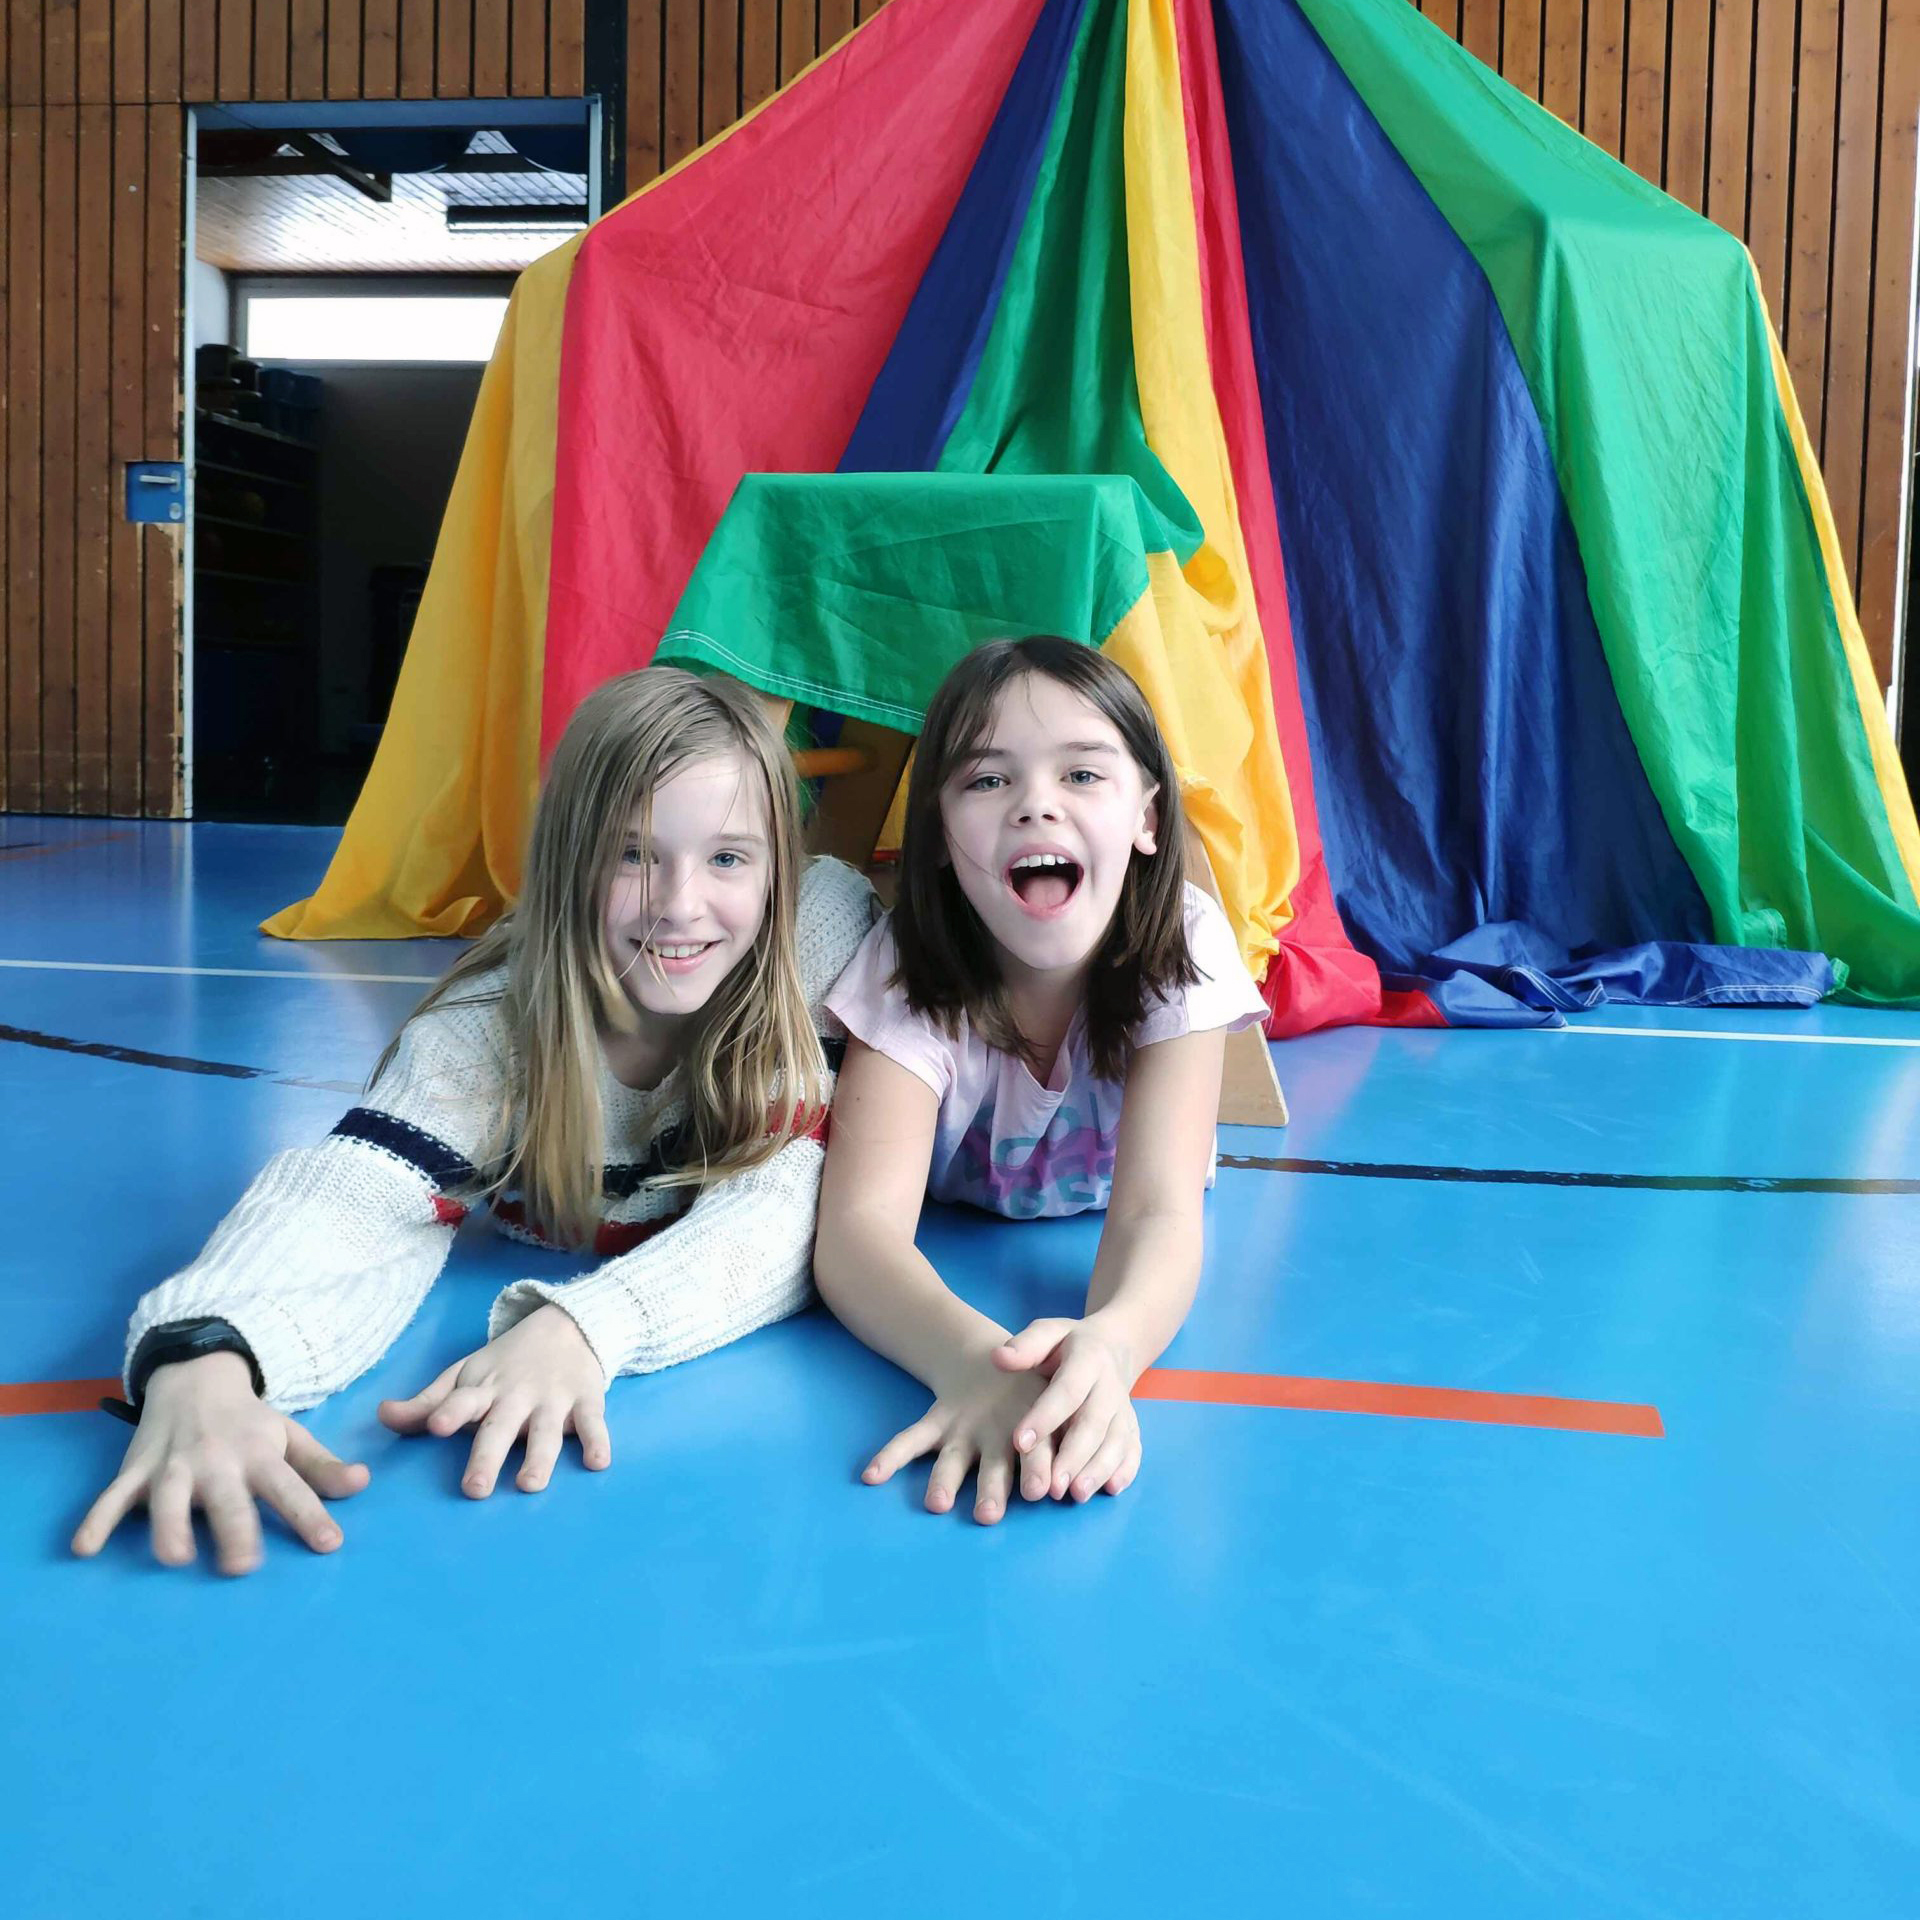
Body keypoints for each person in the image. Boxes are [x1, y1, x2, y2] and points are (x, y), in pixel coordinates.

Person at [74, 666, 876, 1575]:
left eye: (728, 858)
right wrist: (209, 1353)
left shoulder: (818, 943)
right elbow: (355, 1194)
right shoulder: (487, 1036)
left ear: (780, 871)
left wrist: (585, 1327)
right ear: (568, 860)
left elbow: (789, 1198)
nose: (680, 904)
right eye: (633, 854)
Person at [814, 637, 1268, 1526]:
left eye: (1084, 776)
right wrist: (976, 1363)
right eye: (988, 781)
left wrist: (1112, 1346)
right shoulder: (909, 970)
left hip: (1107, 1217)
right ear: (941, 835)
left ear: (1147, 814)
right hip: (962, 1230)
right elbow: (859, 1232)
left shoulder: (1184, 942)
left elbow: (1156, 1212)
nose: (1036, 808)